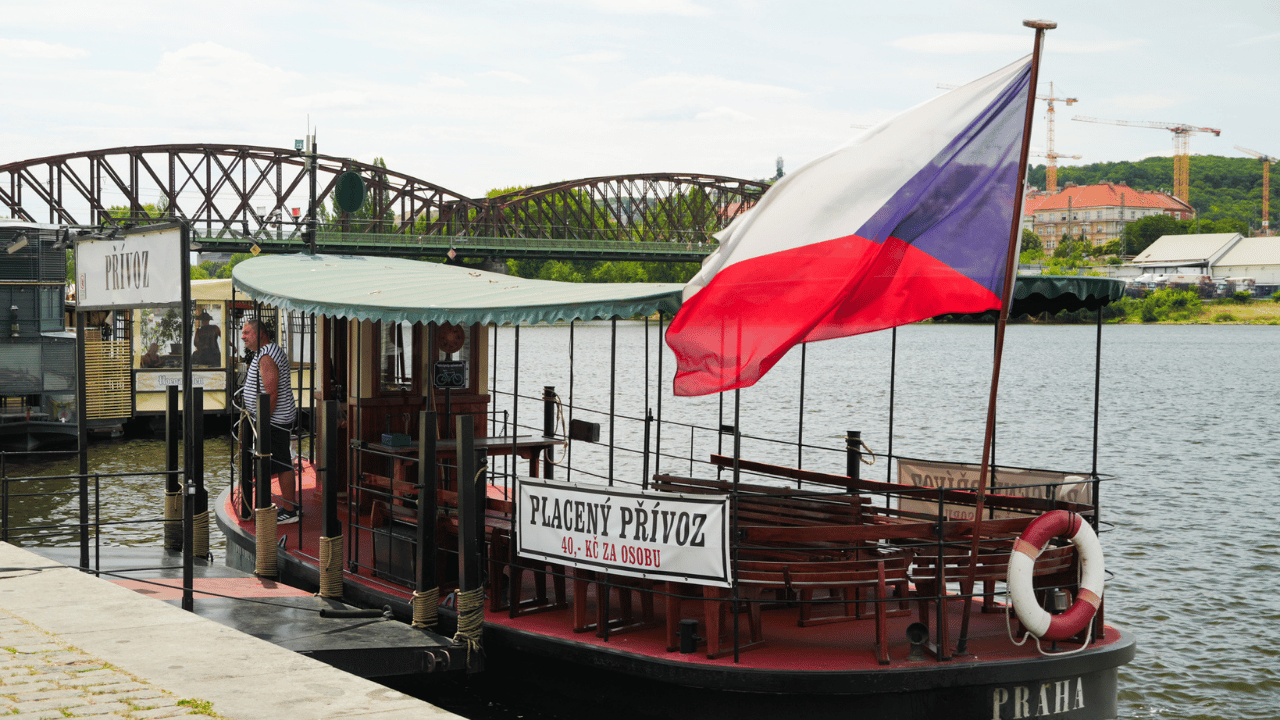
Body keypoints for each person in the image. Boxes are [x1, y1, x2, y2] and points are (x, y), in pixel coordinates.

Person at [240, 318, 299, 525]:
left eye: (247, 332)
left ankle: (291, 511)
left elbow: (271, 393)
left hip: (274, 421)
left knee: (282, 463)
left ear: (260, 334)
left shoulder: (266, 355)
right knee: (280, 461)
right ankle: (290, 507)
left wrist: (263, 424)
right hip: (274, 419)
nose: (243, 336)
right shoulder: (267, 352)